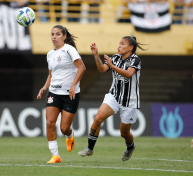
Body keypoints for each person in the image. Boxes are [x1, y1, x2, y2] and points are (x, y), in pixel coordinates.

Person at [78, 36, 146, 161]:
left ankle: (130, 147)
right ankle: (89, 149)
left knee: (124, 133)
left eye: (122, 44)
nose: (119, 46)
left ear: (130, 47)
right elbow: (102, 69)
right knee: (98, 118)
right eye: (119, 43)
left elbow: (129, 74)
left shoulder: (135, 60)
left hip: (130, 101)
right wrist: (96, 55)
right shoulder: (115, 58)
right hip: (114, 96)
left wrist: (112, 66)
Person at [37, 25, 86, 163]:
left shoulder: (69, 50)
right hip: (54, 92)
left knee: (64, 128)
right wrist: (44, 87)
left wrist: (73, 85)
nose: (54, 36)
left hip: (71, 93)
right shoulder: (50, 54)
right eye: (52, 34)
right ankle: (55, 156)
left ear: (64, 36)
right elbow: (51, 75)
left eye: (58, 34)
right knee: (49, 122)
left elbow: (82, 67)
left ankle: (69, 135)